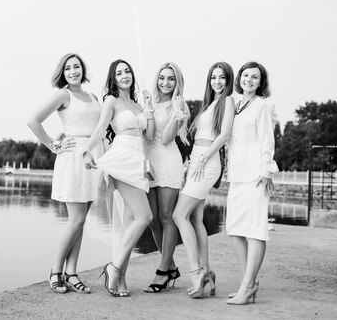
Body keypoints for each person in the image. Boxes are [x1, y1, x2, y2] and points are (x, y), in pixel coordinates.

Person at [27, 53, 104, 294]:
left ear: (83, 69)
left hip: (93, 157)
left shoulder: (92, 96)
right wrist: (52, 145)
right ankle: (55, 271)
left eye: (77, 66)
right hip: (72, 157)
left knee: (81, 222)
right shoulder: (63, 94)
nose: (73, 71)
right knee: (76, 219)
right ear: (63, 72)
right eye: (68, 68)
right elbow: (33, 120)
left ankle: (72, 273)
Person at [83, 59, 154, 297]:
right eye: (119, 73)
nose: (125, 75)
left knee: (130, 223)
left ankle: (120, 279)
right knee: (145, 216)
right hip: (122, 158)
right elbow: (101, 129)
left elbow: (150, 135)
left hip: (138, 159)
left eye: (127, 71)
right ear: (113, 79)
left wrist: (150, 109)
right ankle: (113, 268)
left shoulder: (137, 103)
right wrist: (87, 150)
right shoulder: (111, 100)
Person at [172, 62, 235, 298]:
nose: (217, 82)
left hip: (207, 163)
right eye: (213, 78)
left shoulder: (227, 101)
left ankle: (196, 271)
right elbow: (199, 136)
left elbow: (224, 135)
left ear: (228, 80)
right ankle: (207, 270)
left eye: (221, 78)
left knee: (179, 215)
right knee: (196, 220)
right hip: (197, 161)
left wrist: (202, 159)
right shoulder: (209, 104)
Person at [225, 61, 278, 305]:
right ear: (240, 79)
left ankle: (246, 287)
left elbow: (267, 141)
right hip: (236, 176)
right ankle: (250, 281)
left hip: (256, 176)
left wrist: (267, 172)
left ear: (260, 82)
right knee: (234, 229)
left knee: (256, 230)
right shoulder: (235, 104)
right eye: (245, 75)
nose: (249, 80)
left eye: (254, 77)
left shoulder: (262, 106)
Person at [142, 62, 190, 293]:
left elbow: (167, 138)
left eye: (171, 79)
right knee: (152, 218)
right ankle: (171, 266)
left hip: (169, 162)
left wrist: (177, 111)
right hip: (148, 163)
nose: (165, 82)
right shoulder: (149, 101)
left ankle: (162, 271)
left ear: (177, 82)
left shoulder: (180, 106)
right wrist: (146, 108)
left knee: (166, 216)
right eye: (162, 77)